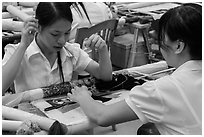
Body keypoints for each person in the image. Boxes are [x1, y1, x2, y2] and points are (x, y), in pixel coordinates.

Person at [68, 3, 202, 135]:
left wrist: (83, 97)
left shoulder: (163, 89)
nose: (156, 39)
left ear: (178, 46)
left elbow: (101, 116)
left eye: (161, 37)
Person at [2, 2, 112, 94]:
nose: (62, 41)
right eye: (55, 34)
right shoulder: (18, 52)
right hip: (27, 116)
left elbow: (105, 77)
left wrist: (103, 50)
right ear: (39, 28)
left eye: (67, 33)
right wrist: (23, 45)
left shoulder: (70, 52)